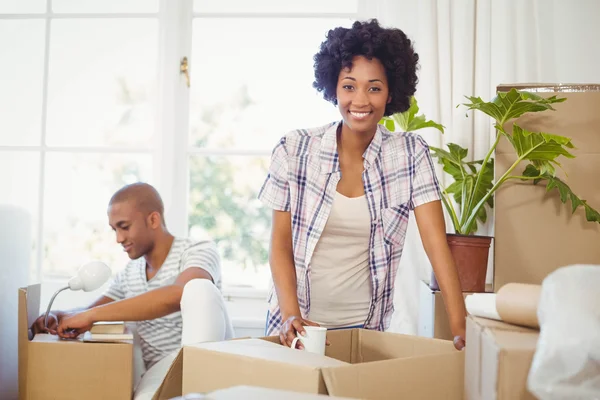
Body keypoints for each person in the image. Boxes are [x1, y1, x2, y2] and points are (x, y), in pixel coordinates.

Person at [258, 19, 467, 350]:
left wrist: (460, 329)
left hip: (364, 332)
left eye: (374, 87)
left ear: (390, 93)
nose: (360, 100)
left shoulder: (410, 155)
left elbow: (436, 245)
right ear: (334, 88)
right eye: (349, 86)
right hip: (297, 326)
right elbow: (279, 245)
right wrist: (291, 318)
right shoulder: (294, 150)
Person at [31, 182, 234, 398]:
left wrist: (88, 315)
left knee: (198, 288)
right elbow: (95, 311)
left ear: (153, 219)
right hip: (161, 371)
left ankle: (197, 389)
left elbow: (180, 293)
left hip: (208, 363)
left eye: (124, 226)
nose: (119, 238)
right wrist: (59, 315)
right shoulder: (130, 273)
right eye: (114, 230)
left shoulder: (197, 249)